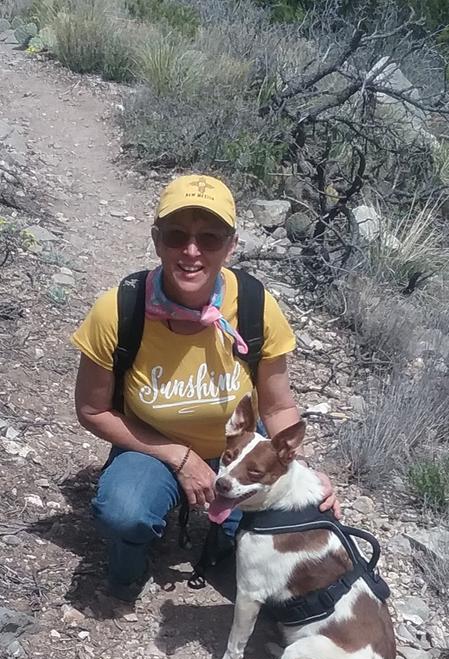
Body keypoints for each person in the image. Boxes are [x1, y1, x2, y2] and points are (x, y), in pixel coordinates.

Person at [72, 174, 340, 601]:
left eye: (210, 238)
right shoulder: (119, 310)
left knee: (289, 532)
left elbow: (277, 407)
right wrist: (181, 458)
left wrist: (302, 476)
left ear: (230, 246)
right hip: (152, 446)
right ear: (157, 240)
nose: (192, 251)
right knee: (125, 512)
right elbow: (92, 410)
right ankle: (131, 565)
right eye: (177, 236)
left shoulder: (253, 305)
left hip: (240, 452)